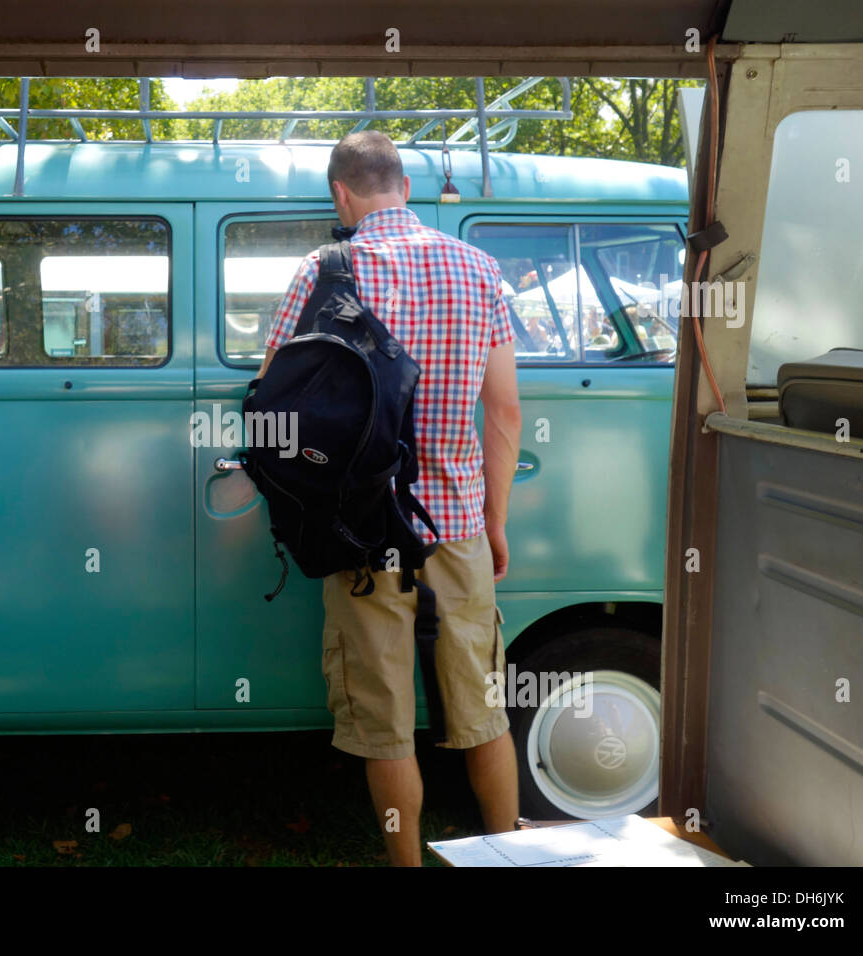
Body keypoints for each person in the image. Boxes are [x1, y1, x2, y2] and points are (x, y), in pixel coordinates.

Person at [258, 130, 522, 866]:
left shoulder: (323, 270)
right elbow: (503, 412)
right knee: (480, 708)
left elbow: (273, 396)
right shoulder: (479, 270)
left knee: (385, 723)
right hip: (459, 524)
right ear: (403, 186)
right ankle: (506, 849)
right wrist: (493, 521)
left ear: (342, 194)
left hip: (360, 532)